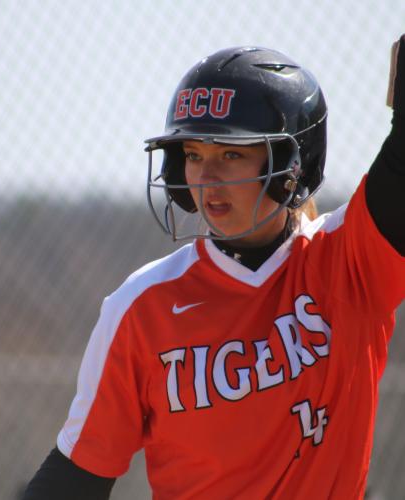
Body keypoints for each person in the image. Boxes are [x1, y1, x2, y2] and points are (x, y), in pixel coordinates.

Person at [23, 38, 405, 499]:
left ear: (290, 166)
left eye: (230, 154)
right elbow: (75, 477)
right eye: (194, 156)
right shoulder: (142, 307)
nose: (206, 179)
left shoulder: (349, 262)